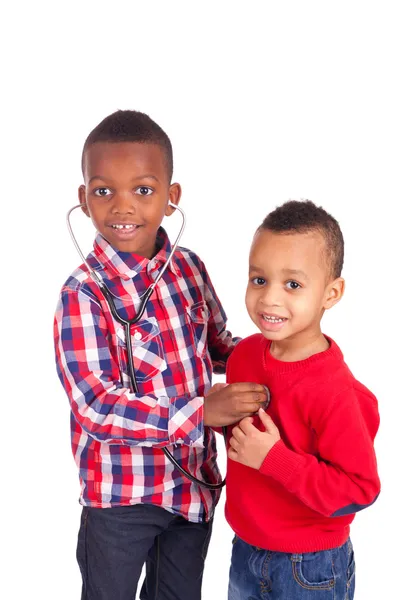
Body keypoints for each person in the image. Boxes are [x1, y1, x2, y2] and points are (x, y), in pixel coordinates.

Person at [54, 109, 268, 600]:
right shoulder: (83, 294)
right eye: (104, 190)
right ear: (84, 200)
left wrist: (278, 358)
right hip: (121, 497)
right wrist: (200, 413)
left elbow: (219, 346)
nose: (122, 206)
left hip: (192, 488)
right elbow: (96, 407)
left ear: (172, 199)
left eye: (143, 190)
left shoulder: (189, 269)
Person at [225, 200, 380, 600]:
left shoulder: (335, 391)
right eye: (259, 280)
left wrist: (273, 458)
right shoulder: (242, 357)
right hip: (245, 549)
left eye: (292, 285)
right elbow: (240, 440)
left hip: (309, 566)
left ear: (332, 293)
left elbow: (359, 490)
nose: (269, 299)